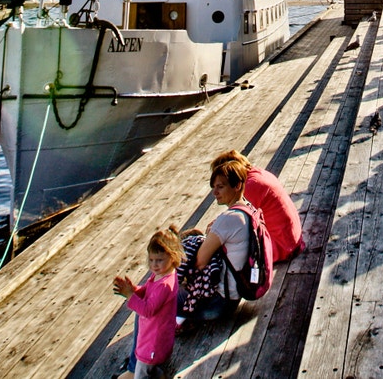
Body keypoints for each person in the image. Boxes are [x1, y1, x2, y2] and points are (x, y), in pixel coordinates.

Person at [175, 165, 256, 319]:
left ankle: (145, 342)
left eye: (220, 186)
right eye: (213, 187)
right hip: (233, 297)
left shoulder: (228, 218)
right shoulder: (248, 209)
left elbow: (200, 262)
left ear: (237, 185)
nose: (215, 192)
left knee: (153, 297)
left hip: (216, 304)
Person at [113, 227, 182, 379]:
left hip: (153, 342)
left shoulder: (165, 284)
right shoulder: (161, 274)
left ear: (173, 257)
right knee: (150, 369)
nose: (154, 265)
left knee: (142, 373)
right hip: (150, 339)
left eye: (159, 260)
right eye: (151, 260)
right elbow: (148, 291)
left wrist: (130, 295)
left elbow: (148, 310)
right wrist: (134, 290)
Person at [211, 150, 303, 262]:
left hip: (280, 247)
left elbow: (237, 225)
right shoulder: (259, 174)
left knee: (220, 250)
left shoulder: (250, 186)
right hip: (290, 240)